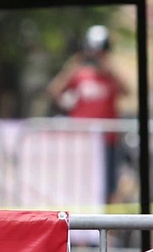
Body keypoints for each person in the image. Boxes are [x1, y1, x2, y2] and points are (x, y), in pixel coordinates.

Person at [47, 25, 129, 204]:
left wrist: (110, 68)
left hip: (107, 141)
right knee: (78, 185)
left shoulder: (111, 77)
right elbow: (54, 90)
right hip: (81, 142)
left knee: (108, 187)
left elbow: (127, 91)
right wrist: (74, 64)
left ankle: (107, 230)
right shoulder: (79, 74)